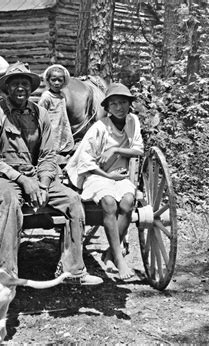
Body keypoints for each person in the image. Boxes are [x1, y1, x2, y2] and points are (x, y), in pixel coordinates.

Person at [0, 62, 103, 285]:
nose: (20, 89)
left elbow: (48, 155)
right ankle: (7, 272)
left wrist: (44, 184)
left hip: (36, 176)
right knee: (9, 201)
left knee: (73, 200)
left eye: (25, 84)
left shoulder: (40, 114)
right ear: (6, 88)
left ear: (31, 88)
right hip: (1, 177)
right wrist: (24, 181)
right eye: (15, 84)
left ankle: (73, 270)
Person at [65, 83, 144, 280]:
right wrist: (108, 176)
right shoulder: (99, 127)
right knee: (109, 202)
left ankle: (110, 252)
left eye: (123, 102)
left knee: (128, 201)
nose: (119, 107)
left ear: (129, 105)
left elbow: (138, 149)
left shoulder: (133, 121)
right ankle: (119, 258)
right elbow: (85, 161)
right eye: (114, 104)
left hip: (118, 174)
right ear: (107, 108)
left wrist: (116, 150)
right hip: (96, 174)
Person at [38, 64, 75, 163]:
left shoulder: (62, 95)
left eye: (60, 80)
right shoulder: (46, 96)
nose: (57, 83)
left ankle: (63, 158)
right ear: (48, 81)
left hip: (62, 125)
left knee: (63, 142)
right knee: (52, 144)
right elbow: (40, 114)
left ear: (64, 82)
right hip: (51, 127)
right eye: (53, 80)